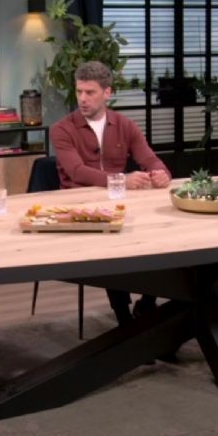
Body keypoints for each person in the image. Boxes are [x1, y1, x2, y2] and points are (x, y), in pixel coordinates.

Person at [51, 60, 171, 324]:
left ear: (107, 93)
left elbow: (149, 159)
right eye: (79, 91)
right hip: (80, 209)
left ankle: (148, 304)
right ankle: (124, 319)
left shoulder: (125, 125)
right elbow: (77, 172)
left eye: (90, 92)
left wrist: (161, 173)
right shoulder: (61, 129)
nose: (82, 98)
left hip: (120, 205)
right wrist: (122, 180)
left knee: (162, 237)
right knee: (110, 243)